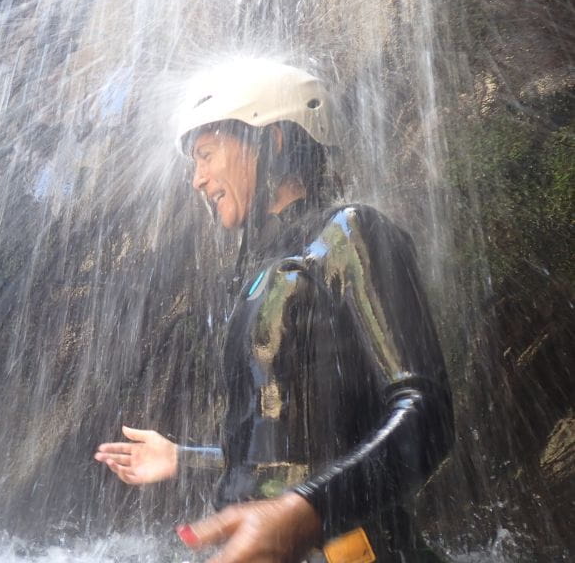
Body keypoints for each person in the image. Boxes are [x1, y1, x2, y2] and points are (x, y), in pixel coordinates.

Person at [95, 58, 454, 563]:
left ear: (273, 140)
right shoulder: (263, 275)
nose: (197, 179)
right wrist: (183, 459)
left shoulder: (351, 231)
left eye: (206, 154)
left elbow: (426, 411)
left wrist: (307, 512)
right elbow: (294, 451)